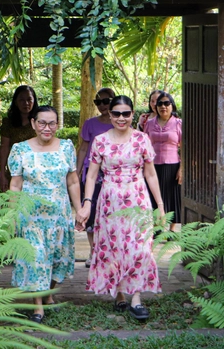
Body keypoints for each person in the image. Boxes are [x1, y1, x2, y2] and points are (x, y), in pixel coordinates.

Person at [76, 95, 166, 321]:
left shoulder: (141, 139)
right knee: (114, 247)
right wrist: (87, 203)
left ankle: (136, 298)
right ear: (110, 114)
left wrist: (161, 205)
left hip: (137, 199)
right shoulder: (100, 141)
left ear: (132, 114)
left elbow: (150, 173)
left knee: (138, 247)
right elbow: (92, 175)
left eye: (126, 113)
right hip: (109, 201)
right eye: (116, 113)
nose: (121, 118)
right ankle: (119, 292)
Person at [8, 105, 82, 324]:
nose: (46, 128)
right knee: (36, 259)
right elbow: (15, 184)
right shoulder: (20, 150)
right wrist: (13, 214)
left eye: (51, 123)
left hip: (59, 216)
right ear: (33, 124)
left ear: (57, 124)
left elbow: (72, 180)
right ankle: (37, 307)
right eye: (42, 123)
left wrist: (79, 209)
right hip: (31, 218)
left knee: (59, 258)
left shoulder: (67, 147)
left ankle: (48, 292)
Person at [76, 87, 116, 267]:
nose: (102, 105)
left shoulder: (121, 122)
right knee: (90, 210)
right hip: (92, 172)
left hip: (113, 172)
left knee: (111, 211)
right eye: (98, 102)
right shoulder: (90, 124)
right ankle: (93, 251)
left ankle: (109, 251)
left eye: (106, 101)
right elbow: (84, 148)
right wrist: (76, 171)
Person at [143, 92, 182, 231]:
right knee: (154, 195)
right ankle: (157, 227)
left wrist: (181, 169)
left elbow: (185, 147)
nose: (163, 106)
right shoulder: (149, 123)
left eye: (166, 103)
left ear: (172, 106)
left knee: (171, 196)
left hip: (172, 165)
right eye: (160, 104)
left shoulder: (178, 123)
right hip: (153, 166)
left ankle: (171, 229)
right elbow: (144, 144)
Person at [0, 85, 38, 192]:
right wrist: (2, 174)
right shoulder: (9, 122)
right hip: (14, 171)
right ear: (16, 102)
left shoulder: (40, 121)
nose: (26, 103)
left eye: (29, 99)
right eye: (21, 100)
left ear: (34, 100)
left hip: (36, 172)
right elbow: (4, 148)